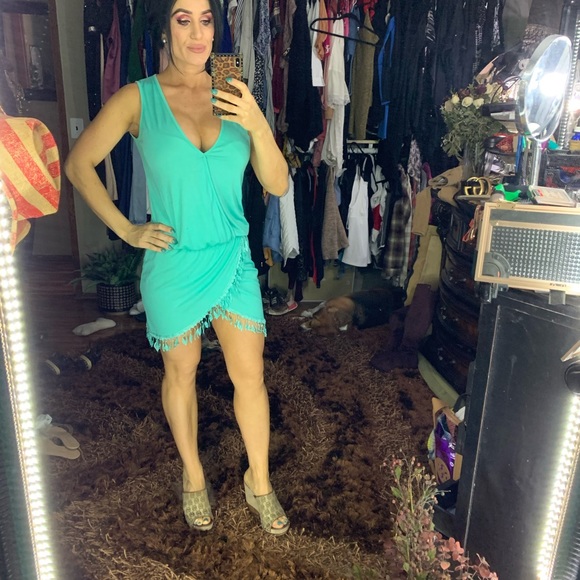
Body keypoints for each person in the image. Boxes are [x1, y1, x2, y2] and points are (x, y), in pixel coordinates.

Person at [65, 0, 290, 535]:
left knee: (250, 375)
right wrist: (128, 230)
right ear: (164, 29)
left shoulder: (234, 93)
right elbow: (79, 164)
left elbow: (278, 183)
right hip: (173, 263)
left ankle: (259, 482)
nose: (197, 32)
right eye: (183, 19)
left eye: (206, 19)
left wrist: (257, 122)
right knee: (181, 372)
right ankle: (193, 475)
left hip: (232, 257)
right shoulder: (138, 98)